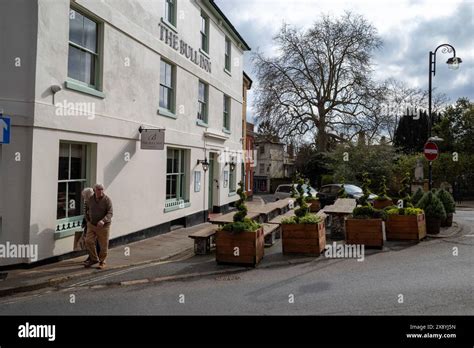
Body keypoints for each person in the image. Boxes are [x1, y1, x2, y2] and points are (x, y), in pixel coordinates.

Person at [84, 183, 113, 270]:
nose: (100, 191)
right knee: (88, 241)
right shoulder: (90, 199)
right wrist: (88, 221)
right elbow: (86, 210)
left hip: (104, 226)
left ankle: (102, 261)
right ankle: (94, 259)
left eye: (102, 189)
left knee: (103, 244)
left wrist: (103, 220)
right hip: (92, 225)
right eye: (99, 189)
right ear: (94, 190)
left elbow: (110, 213)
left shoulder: (107, 200)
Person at [81, 187, 100, 265]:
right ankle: (91, 257)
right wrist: (84, 221)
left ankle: (94, 258)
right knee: (89, 241)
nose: (84, 197)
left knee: (95, 242)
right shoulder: (86, 201)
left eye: (85, 196)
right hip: (89, 224)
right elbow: (86, 213)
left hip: (96, 224)